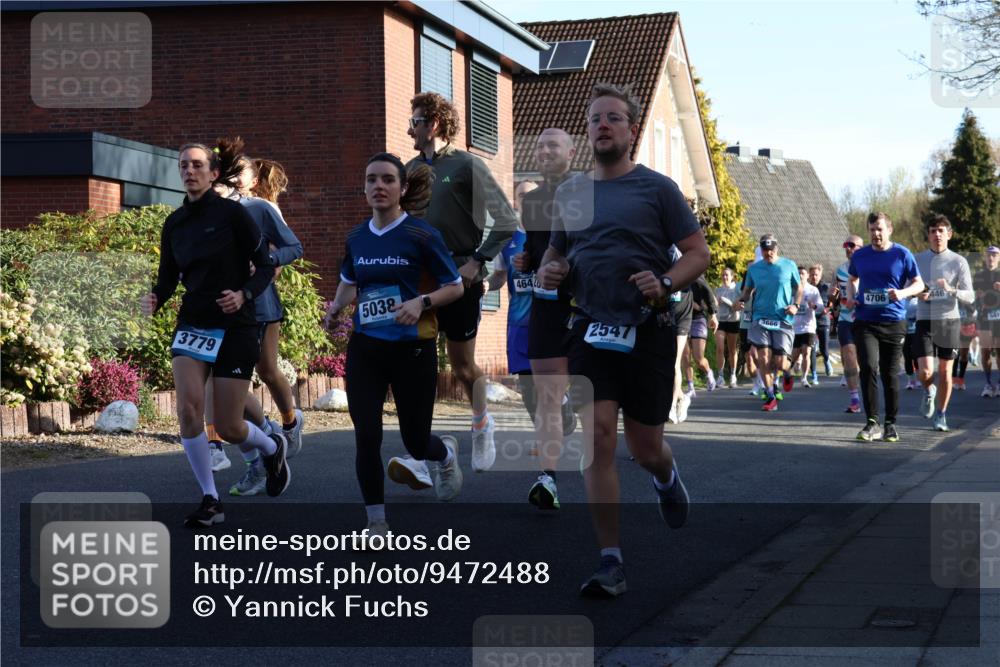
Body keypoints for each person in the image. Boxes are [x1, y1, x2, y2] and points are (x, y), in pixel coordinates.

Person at [536, 83, 707, 597]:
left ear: (632, 130)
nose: (603, 125)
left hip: (648, 329)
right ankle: (610, 561)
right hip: (589, 328)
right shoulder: (570, 193)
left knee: (645, 447)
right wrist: (550, 271)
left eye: (613, 118)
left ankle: (665, 476)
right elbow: (554, 256)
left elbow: (697, 253)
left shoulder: (658, 189)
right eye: (595, 119)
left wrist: (666, 282)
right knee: (597, 439)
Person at [140, 142, 288, 528]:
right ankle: (210, 498)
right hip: (193, 322)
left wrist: (244, 295)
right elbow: (168, 277)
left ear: (213, 173)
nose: (190, 171)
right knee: (188, 409)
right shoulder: (175, 223)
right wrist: (156, 297)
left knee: (228, 426)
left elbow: (265, 266)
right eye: (184, 166)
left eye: (197, 165)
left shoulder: (234, 214)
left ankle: (272, 447)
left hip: (237, 324)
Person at [326, 154, 465, 537]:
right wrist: (336, 309)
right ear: (364, 187)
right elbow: (349, 282)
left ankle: (444, 454)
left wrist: (421, 303)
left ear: (402, 188)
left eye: (388, 179)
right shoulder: (357, 237)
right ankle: (376, 522)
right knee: (367, 436)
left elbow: (455, 287)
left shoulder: (422, 235)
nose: (379, 186)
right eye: (372, 179)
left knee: (415, 442)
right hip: (366, 347)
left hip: (412, 349)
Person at [405, 92, 518, 473]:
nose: (410, 130)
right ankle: (420, 449)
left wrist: (478, 261)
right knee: (418, 365)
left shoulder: (467, 165)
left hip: (460, 278)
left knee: (463, 366)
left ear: (433, 123)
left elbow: (506, 220)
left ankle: (482, 423)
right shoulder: (409, 170)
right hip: (421, 280)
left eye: (415, 122)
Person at [203, 142, 307, 499]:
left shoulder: (260, 208)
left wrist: (266, 261)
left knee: (265, 370)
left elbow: (292, 248)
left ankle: (287, 424)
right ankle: (257, 445)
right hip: (221, 309)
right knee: (222, 379)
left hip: (259, 305)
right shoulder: (201, 212)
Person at [512, 127, 579, 509]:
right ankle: (548, 478)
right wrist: (527, 260)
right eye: (539, 146)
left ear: (571, 153)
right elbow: (536, 249)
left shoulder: (586, 194)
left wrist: (568, 268)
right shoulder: (533, 200)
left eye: (553, 145)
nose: (544, 151)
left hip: (584, 307)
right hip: (545, 306)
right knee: (546, 396)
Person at [846, 212, 924, 442]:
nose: (876, 234)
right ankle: (872, 422)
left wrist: (902, 293)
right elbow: (852, 279)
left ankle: (890, 423)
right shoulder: (860, 255)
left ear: (889, 230)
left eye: (879, 229)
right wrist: (851, 297)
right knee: (868, 367)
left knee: (889, 373)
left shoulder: (902, 254)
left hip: (893, 321)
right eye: (872, 230)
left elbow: (919, 284)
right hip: (865, 320)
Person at [912, 215, 974, 432]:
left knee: (946, 371)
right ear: (928, 235)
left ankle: (941, 414)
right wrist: (917, 294)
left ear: (949, 234)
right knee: (925, 372)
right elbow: (907, 288)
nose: (937, 235)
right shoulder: (917, 259)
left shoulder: (959, 261)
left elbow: (970, 296)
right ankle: (929, 390)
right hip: (925, 319)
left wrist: (951, 289)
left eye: (941, 230)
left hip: (949, 321)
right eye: (932, 231)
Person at [737, 235, 802, 411]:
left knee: (780, 363)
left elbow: (799, 288)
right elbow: (747, 291)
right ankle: (771, 396)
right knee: (763, 359)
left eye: (771, 249)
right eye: (765, 250)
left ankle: (787, 371)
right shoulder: (754, 269)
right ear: (761, 250)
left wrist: (796, 305)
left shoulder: (789, 265)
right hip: (760, 318)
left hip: (782, 318)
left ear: (776, 248)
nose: (769, 253)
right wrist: (740, 300)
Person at [832, 235, 864, 413]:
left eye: (852, 245)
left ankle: (868, 392)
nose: (848, 248)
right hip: (846, 319)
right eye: (846, 245)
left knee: (866, 361)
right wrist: (833, 296)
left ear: (861, 248)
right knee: (849, 356)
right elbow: (836, 294)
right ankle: (854, 399)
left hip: (865, 319)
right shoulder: (840, 270)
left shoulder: (869, 267)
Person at [684, 274, 719, 395]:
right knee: (685, 357)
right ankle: (691, 387)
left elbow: (709, 294)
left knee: (698, 359)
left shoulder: (695, 274)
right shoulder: (675, 274)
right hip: (683, 320)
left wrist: (713, 314)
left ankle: (709, 372)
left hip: (698, 319)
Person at [790, 265, 823, 387]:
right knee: (794, 354)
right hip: (794, 327)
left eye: (802, 273)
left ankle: (804, 378)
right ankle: (787, 373)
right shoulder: (791, 289)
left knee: (806, 352)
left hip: (809, 326)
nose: (800, 275)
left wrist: (814, 306)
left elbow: (821, 307)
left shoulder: (813, 290)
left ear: (807, 276)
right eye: (798, 273)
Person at [974, 246, 1000, 397]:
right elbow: (973, 296)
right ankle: (988, 384)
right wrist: (978, 298)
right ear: (984, 257)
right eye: (989, 255)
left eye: (994, 255)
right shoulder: (978, 276)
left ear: (999, 258)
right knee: (985, 351)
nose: (991, 258)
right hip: (984, 317)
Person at [714, 267, 742, 388]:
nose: (724, 277)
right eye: (723, 275)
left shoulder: (737, 290)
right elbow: (713, 306)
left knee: (732, 350)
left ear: (732, 277)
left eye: (727, 275)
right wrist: (716, 303)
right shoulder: (717, 290)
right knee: (720, 348)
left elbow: (738, 306)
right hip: (720, 321)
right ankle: (720, 376)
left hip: (733, 321)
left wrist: (727, 302)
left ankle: (733, 375)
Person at [808, 264, 833, 382]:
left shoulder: (826, 287)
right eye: (812, 274)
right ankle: (813, 374)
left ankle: (826, 360)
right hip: (810, 321)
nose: (814, 277)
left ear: (820, 275)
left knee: (824, 349)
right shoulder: (807, 288)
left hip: (823, 320)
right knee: (812, 348)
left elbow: (831, 303)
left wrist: (827, 309)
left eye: (816, 275)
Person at [903, 296, 919, 390]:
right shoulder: (902, 299)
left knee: (916, 356)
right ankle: (910, 381)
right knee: (907, 356)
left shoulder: (918, 300)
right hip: (904, 332)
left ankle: (919, 378)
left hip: (917, 332)